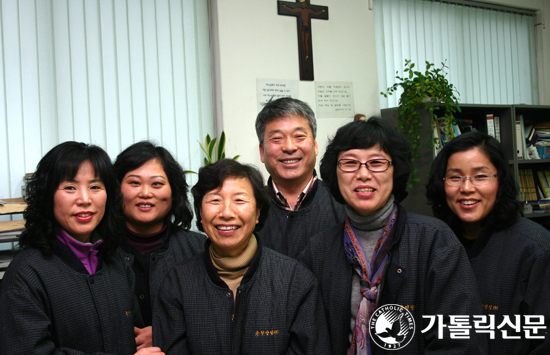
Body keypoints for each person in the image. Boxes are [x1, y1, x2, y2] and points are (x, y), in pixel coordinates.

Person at [299, 118, 486, 354]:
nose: (363, 174)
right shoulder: (318, 251)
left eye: (377, 162)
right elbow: (310, 341)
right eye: (349, 163)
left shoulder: (434, 242)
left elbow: (461, 341)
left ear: (395, 170)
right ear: (335, 173)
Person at [0, 141, 163, 355]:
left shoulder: (116, 261)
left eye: (95, 187)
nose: (85, 200)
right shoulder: (25, 275)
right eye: (70, 187)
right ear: (48, 196)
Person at [153, 159, 330, 354]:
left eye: (239, 200)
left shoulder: (295, 282)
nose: (226, 213)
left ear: (257, 213)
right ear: (201, 215)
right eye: (215, 200)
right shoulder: (177, 284)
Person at [426, 131, 550, 354]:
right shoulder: (433, 242)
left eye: (480, 176)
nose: (466, 188)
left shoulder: (536, 248)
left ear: (500, 180)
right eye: (455, 177)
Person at [113, 141, 206, 350]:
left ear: (173, 192)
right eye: (134, 183)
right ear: (116, 189)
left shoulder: (201, 249)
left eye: (156, 184)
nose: (145, 193)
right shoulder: (97, 251)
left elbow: (222, 314)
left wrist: (165, 332)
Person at [255, 97, 346, 258]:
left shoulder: (343, 202)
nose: (289, 147)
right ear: (262, 152)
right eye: (277, 138)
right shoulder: (250, 208)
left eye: (299, 136)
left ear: (315, 145)